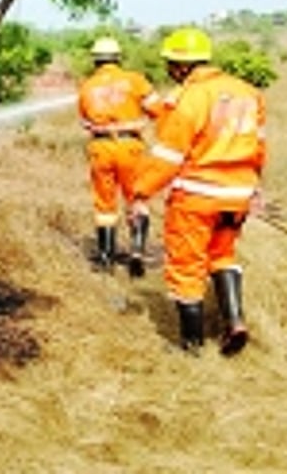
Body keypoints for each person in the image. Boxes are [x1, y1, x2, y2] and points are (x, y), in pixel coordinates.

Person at [129, 27, 266, 356]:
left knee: (186, 267)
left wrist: (140, 193)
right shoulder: (248, 93)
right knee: (222, 255)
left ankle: (191, 348)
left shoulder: (191, 97)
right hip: (238, 196)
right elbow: (259, 147)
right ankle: (235, 322)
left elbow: (168, 156)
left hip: (197, 197)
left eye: (169, 63)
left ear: (179, 65)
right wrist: (253, 188)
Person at [78, 36, 163, 277]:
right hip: (130, 147)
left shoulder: (87, 86)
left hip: (101, 149)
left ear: (96, 61)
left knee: (104, 205)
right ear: (118, 58)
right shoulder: (135, 80)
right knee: (137, 199)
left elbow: (85, 121)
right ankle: (136, 250)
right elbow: (158, 109)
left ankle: (106, 258)